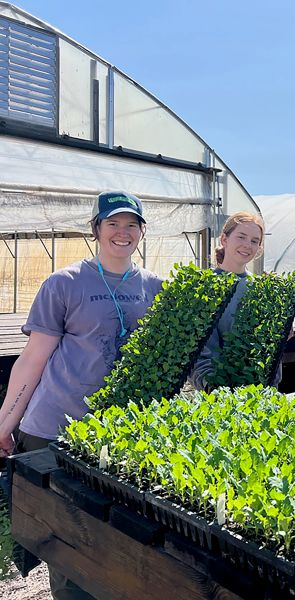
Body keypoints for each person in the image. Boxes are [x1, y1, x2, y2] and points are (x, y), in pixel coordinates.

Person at [0, 190, 163, 599]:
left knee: (112, 541)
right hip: (55, 426)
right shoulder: (65, 283)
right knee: (64, 543)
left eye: (132, 225)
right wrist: (4, 424)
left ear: (142, 232)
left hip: (119, 434)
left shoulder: (155, 288)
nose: (122, 232)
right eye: (113, 223)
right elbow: (33, 359)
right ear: (96, 229)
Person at [188, 211, 282, 391]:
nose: (247, 245)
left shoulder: (263, 289)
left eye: (254, 241)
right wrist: (213, 389)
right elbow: (199, 352)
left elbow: (268, 353)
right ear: (224, 239)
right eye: (241, 237)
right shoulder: (203, 287)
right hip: (216, 395)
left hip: (260, 393)